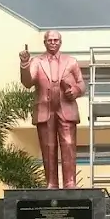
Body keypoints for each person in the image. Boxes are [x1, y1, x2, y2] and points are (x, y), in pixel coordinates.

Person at [19, 30, 85, 189]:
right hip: (45, 109)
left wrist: (75, 91)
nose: (53, 42)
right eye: (50, 40)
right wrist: (25, 64)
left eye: (56, 40)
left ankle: (70, 182)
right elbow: (28, 82)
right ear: (45, 42)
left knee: (68, 144)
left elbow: (82, 84)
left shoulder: (71, 61)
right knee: (48, 146)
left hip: (66, 108)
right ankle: (52, 183)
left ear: (60, 42)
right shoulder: (36, 61)